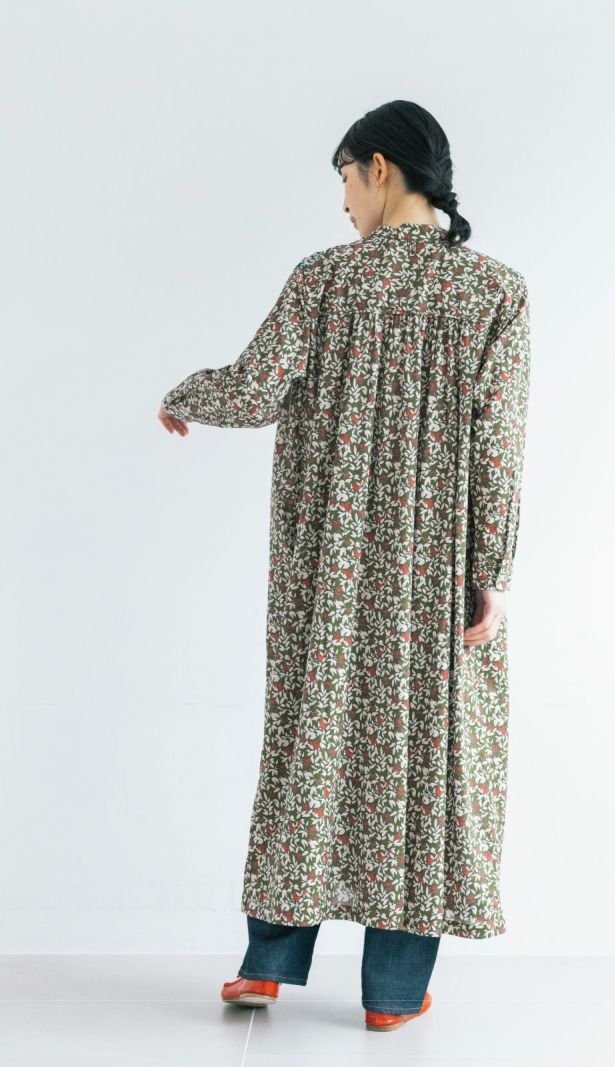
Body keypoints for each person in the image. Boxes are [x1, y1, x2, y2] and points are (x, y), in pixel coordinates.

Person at [158, 99, 532, 1032]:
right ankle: (393, 994)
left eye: (345, 180)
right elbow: (499, 446)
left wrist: (184, 393)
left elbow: (256, 386)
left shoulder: (324, 281)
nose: (343, 204)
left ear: (379, 168)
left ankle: (268, 962)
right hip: (435, 573)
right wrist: (491, 571)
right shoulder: (494, 292)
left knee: (312, 742)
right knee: (425, 759)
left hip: (328, 569)